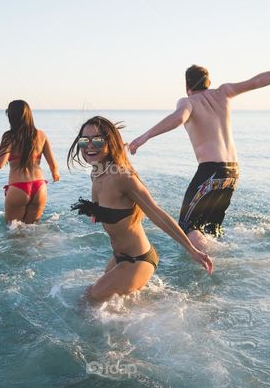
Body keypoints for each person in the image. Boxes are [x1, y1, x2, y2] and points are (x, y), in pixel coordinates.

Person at [128, 59, 270, 248]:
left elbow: (179, 117)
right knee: (211, 229)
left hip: (210, 172)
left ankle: (210, 262)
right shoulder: (225, 92)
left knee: (188, 227)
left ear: (187, 86)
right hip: (232, 173)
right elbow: (257, 81)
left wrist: (145, 137)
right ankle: (215, 256)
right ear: (208, 83)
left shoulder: (187, 101)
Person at [68, 116, 212, 301]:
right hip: (119, 258)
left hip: (138, 260)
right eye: (84, 140)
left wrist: (191, 249)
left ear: (110, 143)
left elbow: (157, 213)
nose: (89, 146)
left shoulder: (122, 177)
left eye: (97, 140)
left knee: (89, 300)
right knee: (94, 297)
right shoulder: (97, 173)